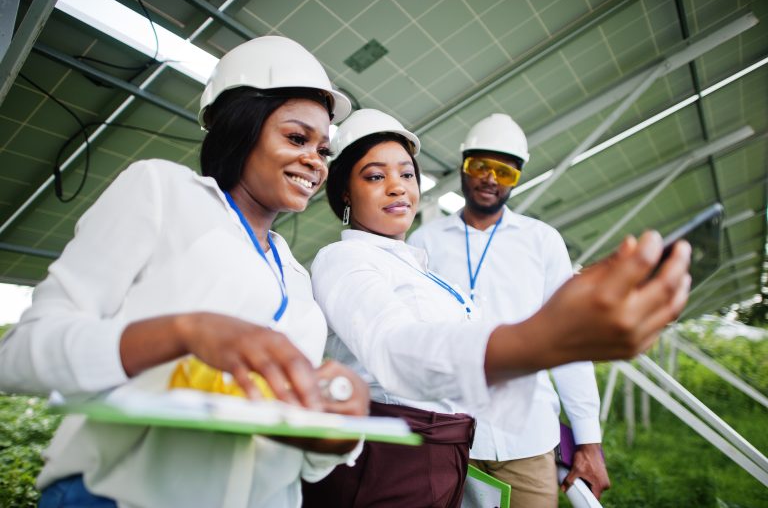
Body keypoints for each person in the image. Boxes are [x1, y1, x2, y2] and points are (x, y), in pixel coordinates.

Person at [0, 36, 370, 508]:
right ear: (240, 127)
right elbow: (19, 357)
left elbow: (296, 453)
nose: (315, 161)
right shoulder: (161, 190)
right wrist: (185, 331)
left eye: (323, 149)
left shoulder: (297, 275)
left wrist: (335, 436)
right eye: (297, 138)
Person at [302, 109, 691, 507]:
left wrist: (585, 435)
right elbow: (397, 346)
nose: (398, 188)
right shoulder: (364, 255)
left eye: (406, 174)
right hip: (407, 455)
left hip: (505, 437)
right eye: (374, 176)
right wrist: (548, 338)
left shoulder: (521, 244)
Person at [408, 113, 607, 508]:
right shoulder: (425, 241)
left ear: (518, 177)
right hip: (451, 437)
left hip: (529, 438)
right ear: (464, 166)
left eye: (505, 172)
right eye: (480, 166)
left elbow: (568, 343)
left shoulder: (542, 242)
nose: (491, 179)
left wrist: (588, 440)